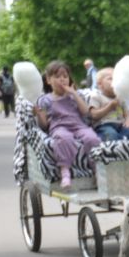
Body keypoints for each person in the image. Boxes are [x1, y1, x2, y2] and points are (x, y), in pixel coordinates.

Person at [34, 60, 100, 189]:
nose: (62, 80)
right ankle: (65, 171)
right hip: (59, 127)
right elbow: (44, 126)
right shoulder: (46, 99)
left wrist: (74, 93)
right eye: (57, 77)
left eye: (65, 76)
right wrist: (40, 115)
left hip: (78, 125)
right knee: (64, 139)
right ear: (48, 80)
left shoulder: (75, 95)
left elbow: (86, 112)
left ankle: (97, 169)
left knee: (92, 138)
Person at [87, 67, 129, 142]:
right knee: (111, 135)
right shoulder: (96, 96)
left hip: (121, 126)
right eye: (110, 79)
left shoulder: (120, 98)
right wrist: (110, 106)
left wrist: (128, 122)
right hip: (104, 126)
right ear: (100, 84)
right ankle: (113, 151)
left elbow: (127, 115)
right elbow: (94, 115)